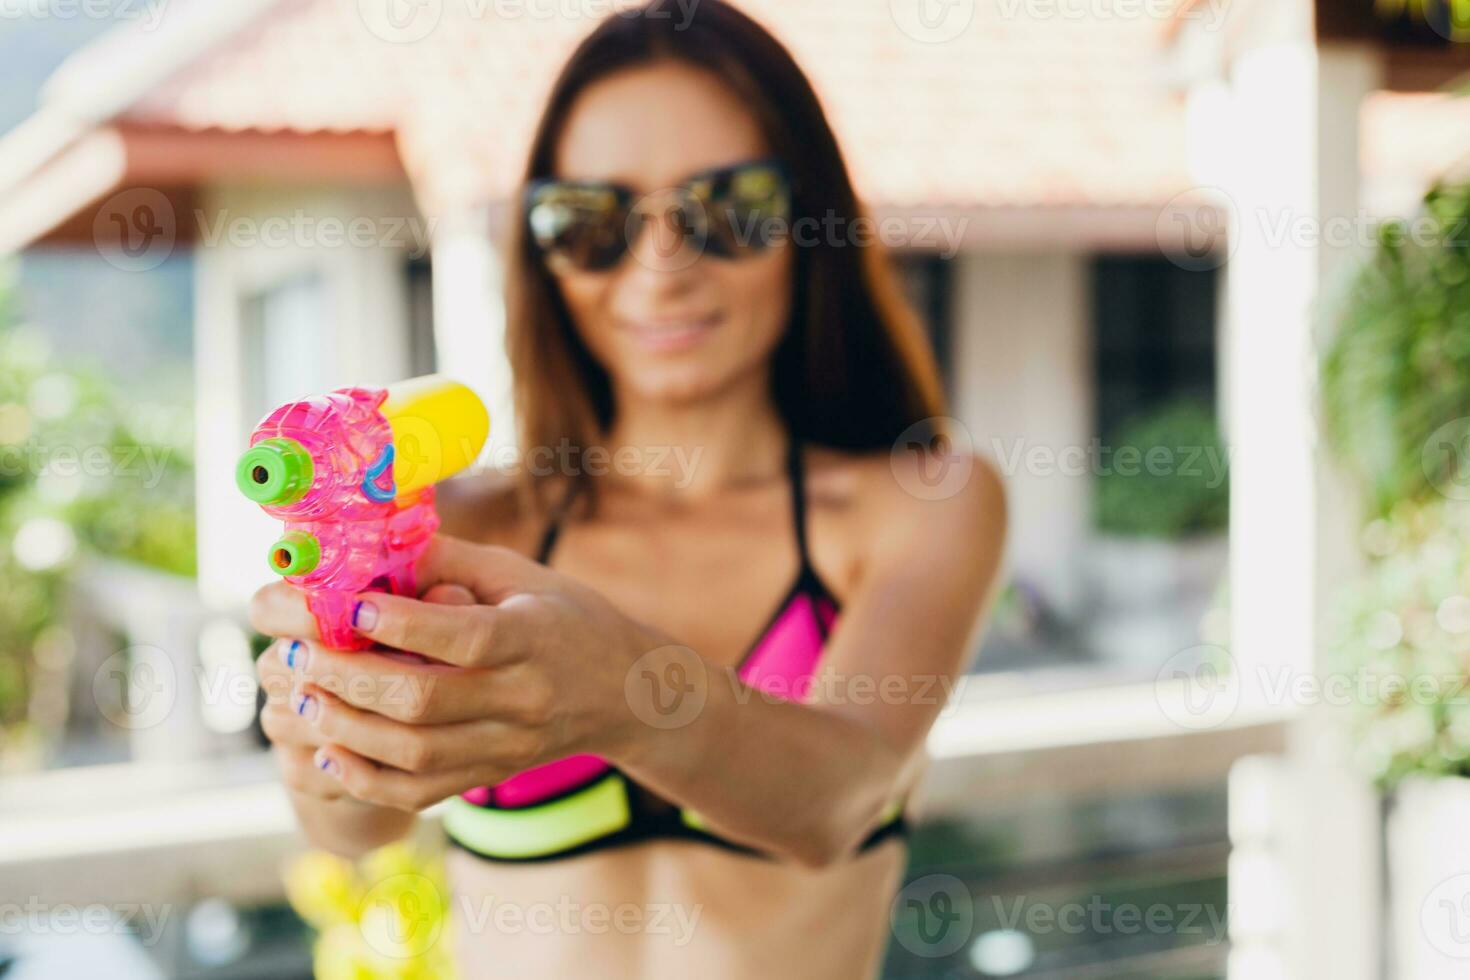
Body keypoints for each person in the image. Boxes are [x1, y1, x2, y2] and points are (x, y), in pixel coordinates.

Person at [251, 2, 1006, 976]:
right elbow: (361, 825)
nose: (661, 264)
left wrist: (623, 693)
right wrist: (327, 712)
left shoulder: (921, 499)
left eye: (726, 206)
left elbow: (837, 798)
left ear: (808, 221)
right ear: (544, 250)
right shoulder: (475, 518)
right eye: (592, 220)